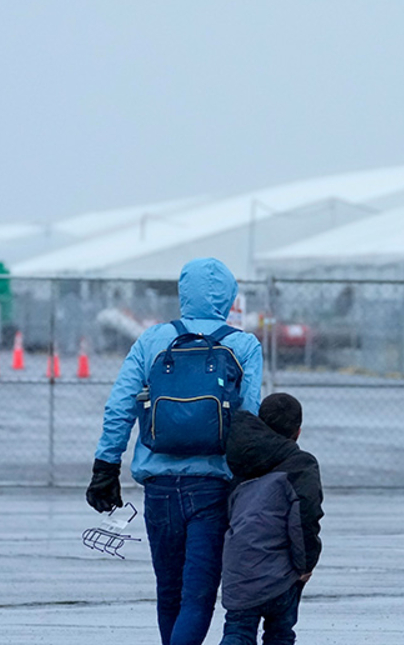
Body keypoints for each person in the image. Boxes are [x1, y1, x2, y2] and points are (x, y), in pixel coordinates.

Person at [87, 257, 263, 645]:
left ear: (184, 294)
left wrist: (106, 466)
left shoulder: (152, 340)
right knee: (197, 599)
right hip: (213, 488)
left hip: (160, 488)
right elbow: (249, 419)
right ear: (229, 297)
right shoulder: (243, 344)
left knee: (168, 595)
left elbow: (120, 406)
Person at [219, 393, 323, 645]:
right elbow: (305, 520)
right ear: (297, 432)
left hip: (240, 570)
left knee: (237, 632)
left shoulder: (239, 456)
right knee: (280, 634)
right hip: (281, 575)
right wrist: (305, 565)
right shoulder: (300, 465)